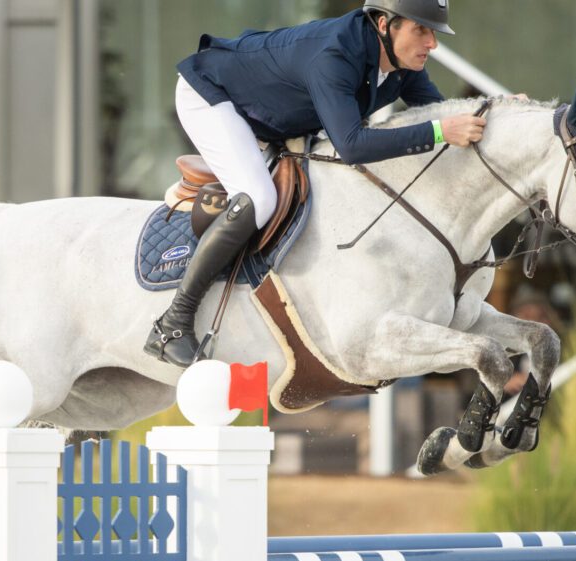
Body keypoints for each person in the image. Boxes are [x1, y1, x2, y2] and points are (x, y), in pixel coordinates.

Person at [146, 0, 489, 367]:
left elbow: (442, 111)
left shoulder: (403, 63)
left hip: (270, 115)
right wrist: (440, 131)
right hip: (213, 96)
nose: (432, 44)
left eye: (433, 32)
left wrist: (494, 110)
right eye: (421, 30)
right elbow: (354, 146)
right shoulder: (336, 54)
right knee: (259, 198)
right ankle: (173, 323)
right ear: (385, 24)